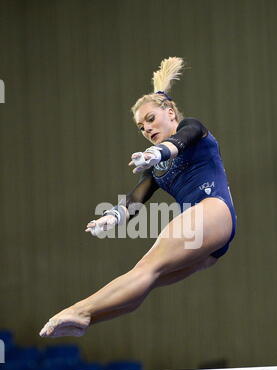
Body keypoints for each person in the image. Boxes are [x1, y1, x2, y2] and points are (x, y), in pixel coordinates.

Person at [39, 57, 237, 338]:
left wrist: (157, 152)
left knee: (146, 268)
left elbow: (181, 141)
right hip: (211, 238)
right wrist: (111, 217)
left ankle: (79, 309)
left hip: (213, 210)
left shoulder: (192, 129)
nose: (147, 129)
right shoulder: (155, 167)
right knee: (148, 278)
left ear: (170, 112)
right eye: (141, 127)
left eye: (151, 119)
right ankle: (86, 320)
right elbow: (135, 200)